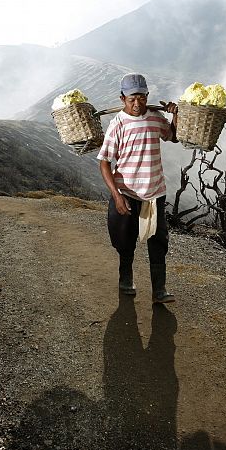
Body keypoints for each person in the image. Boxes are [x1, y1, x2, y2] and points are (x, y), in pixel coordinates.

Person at [97, 73, 179, 303]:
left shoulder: (155, 117)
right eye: (132, 98)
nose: (137, 103)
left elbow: (172, 136)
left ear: (147, 96)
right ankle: (125, 279)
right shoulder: (118, 125)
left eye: (141, 97)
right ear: (122, 98)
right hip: (126, 192)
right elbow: (104, 162)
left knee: (158, 241)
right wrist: (117, 195)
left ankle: (159, 291)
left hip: (154, 193)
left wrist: (176, 115)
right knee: (125, 239)